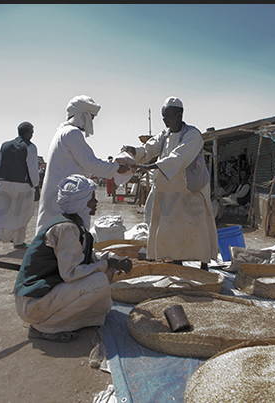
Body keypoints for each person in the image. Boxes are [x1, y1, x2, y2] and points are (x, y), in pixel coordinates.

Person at [13, 174, 132, 342]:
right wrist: (107, 264)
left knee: (102, 281)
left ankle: (67, 321)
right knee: (99, 281)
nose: (96, 202)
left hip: (41, 298)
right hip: (32, 304)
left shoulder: (75, 226)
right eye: (92, 198)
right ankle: (44, 327)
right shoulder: (67, 228)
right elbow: (71, 273)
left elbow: (86, 256)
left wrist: (112, 259)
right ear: (80, 203)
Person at [122, 96, 218, 270]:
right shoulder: (164, 135)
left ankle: (203, 264)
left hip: (191, 190)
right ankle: (177, 261)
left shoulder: (192, 135)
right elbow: (149, 148)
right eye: (163, 116)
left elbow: (179, 157)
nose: (164, 120)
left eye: (167, 116)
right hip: (170, 190)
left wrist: (151, 165)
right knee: (171, 227)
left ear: (179, 114)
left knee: (197, 226)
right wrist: (133, 150)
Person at [35, 95, 130, 235]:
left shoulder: (62, 132)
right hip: (67, 194)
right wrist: (118, 168)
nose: (91, 122)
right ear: (83, 116)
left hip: (61, 192)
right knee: (65, 233)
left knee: (54, 230)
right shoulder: (72, 133)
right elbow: (91, 163)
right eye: (91, 118)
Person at [0, 121, 40, 257]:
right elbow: (32, 168)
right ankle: (19, 242)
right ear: (27, 133)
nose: (32, 135)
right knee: (21, 213)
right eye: (32, 132)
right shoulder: (30, 147)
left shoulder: (5, 145)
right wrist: (36, 186)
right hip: (22, 185)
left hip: (2, 183)